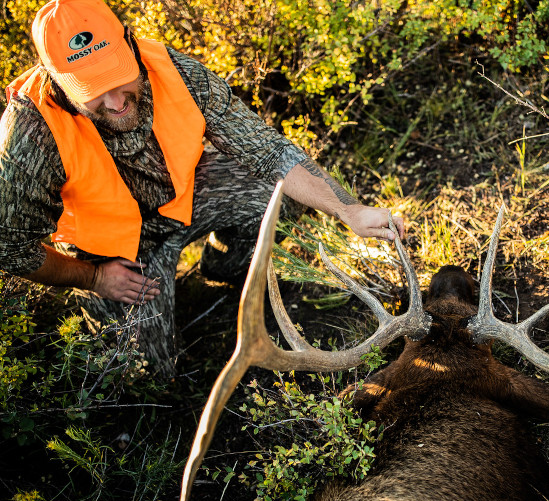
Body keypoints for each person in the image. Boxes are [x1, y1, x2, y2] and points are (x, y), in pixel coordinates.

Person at [0, 0, 405, 375]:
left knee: (276, 192)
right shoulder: (29, 133)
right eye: (91, 90)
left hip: (184, 201)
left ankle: (224, 267)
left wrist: (349, 210)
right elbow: (9, 247)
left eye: (119, 76)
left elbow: (268, 152)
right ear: (55, 80)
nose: (114, 101)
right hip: (112, 255)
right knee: (146, 372)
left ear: (128, 41)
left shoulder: (172, 69)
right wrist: (92, 278)